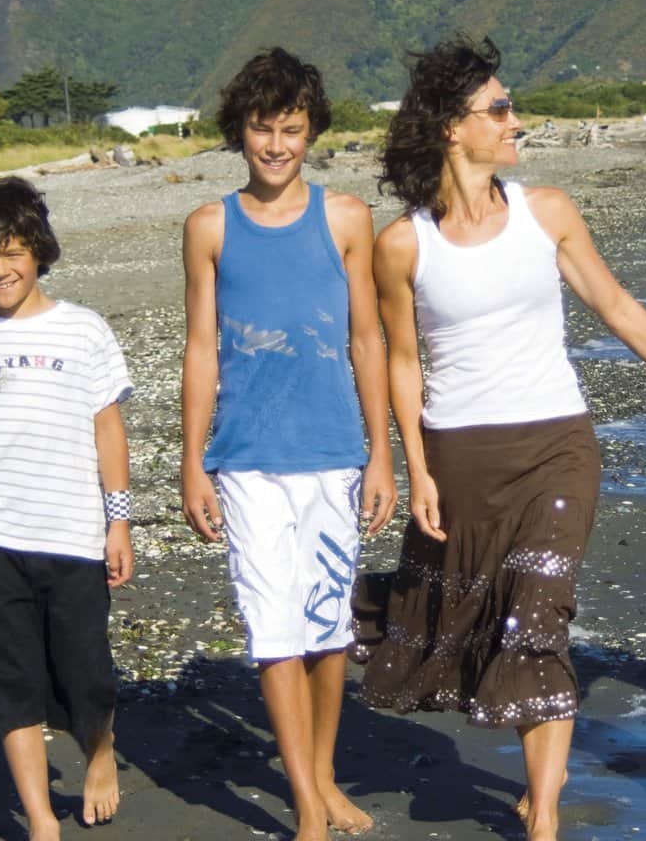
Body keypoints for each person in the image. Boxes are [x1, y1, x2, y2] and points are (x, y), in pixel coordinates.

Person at [353, 35, 646, 841]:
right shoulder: (402, 244)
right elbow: (403, 365)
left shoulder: (547, 211)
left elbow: (617, 306)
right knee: (468, 615)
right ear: (453, 128)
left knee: (539, 614)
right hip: (461, 453)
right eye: (500, 109)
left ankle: (545, 814)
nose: (514, 120)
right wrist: (416, 468)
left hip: (559, 443)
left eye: (511, 106)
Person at [180, 47, 396, 840]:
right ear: (239, 131)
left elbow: (368, 341)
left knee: (329, 625)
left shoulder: (345, 218)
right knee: (274, 629)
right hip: (243, 459)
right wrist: (190, 461)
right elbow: (201, 350)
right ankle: (306, 802)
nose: (276, 145)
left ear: (313, 133)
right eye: (261, 128)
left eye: (292, 130)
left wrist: (383, 454)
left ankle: (325, 776)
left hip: (334, 451)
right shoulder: (208, 226)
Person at [0, 177, 133, 840]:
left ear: (39, 252)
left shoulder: (85, 329)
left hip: (74, 535)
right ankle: (42, 821)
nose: (0, 269)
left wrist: (119, 520)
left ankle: (99, 752)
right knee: (6, 681)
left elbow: (109, 428)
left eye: (13, 251)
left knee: (85, 675)